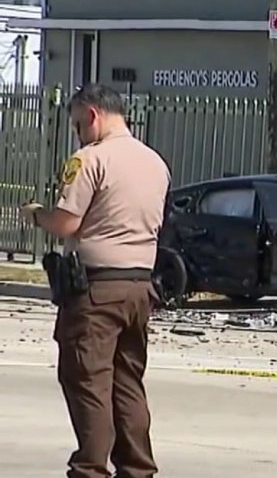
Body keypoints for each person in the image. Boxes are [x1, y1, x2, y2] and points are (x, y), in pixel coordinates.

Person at [20, 83, 171, 478]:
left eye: (76, 125)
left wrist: (37, 214)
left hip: (96, 290)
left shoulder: (89, 159)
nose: (77, 133)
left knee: (87, 379)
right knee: (127, 381)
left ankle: (89, 469)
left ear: (91, 116)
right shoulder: (155, 163)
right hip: (140, 287)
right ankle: (137, 468)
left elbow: (67, 222)